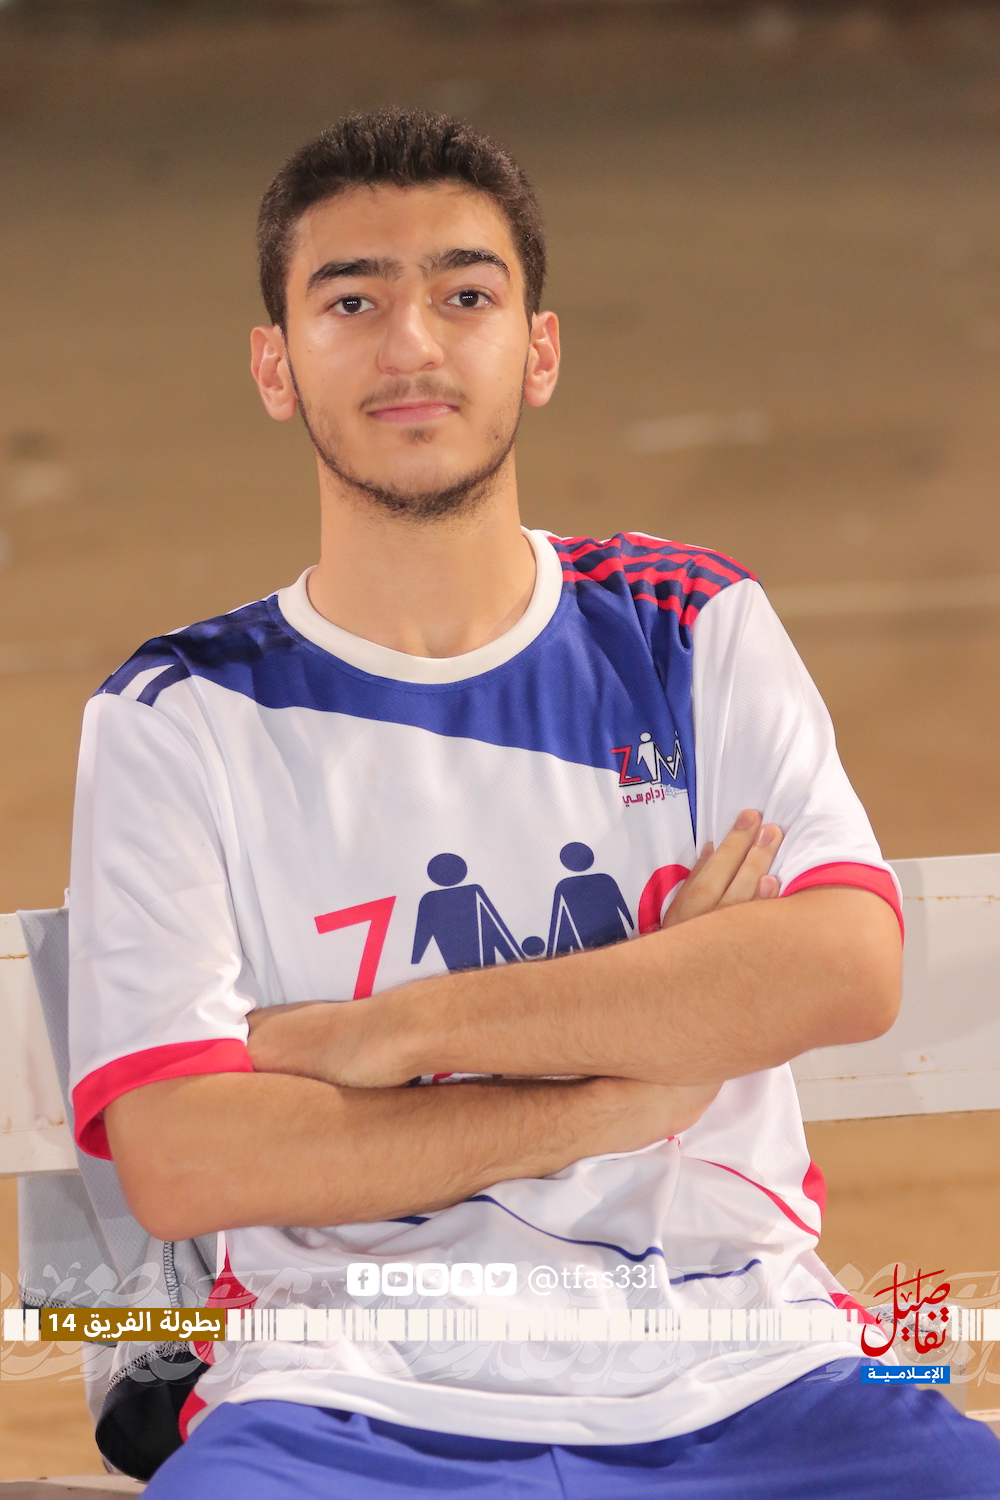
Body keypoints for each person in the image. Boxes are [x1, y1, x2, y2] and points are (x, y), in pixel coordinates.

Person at [66, 110, 999, 1497]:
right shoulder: (177, 716)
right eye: (351, 302)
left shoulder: (687, 624)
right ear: (276, 365)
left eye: (464, 296)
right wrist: (633, 1084)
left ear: (538, 350)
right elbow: (186, 1163)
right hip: (346, 1392)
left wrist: (385, 1035)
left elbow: (845, 964)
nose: (412, 345)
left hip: (750, 1358)